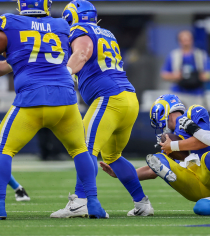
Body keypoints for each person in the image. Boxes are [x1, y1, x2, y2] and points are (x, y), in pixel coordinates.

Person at [0, 0, 107, 219]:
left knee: (3, 150)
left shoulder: (10, 22)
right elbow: (31, 58)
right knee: (80, 150)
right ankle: (93, 203)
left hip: (32, 100)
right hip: (65, 100)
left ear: (21, 5)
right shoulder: (60, 25)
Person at [50, 0, 152, 218]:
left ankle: (80, 201)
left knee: (83, 149)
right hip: (128, 99)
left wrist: (64, 74)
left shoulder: (81, 30)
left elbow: (82, 54)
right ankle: (142, 204)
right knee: (113, 155)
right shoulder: (107, 33)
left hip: (109, 98)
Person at [102, 94, 210, 214]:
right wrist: (122, 175)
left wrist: (175, 145)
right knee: (157, 159)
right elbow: (151, 171)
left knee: (208, 156)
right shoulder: (169, 138)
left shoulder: (194, 113)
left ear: (161, 111)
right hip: (192, 180)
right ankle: (170, 173)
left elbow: (207, 142)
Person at [161, 30, 210, 107]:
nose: (186, 42)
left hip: (197, 94)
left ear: (192, 40)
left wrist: (202, 76)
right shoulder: (173, 55)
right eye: (183, 40)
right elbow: (163, 75)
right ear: (179, 41)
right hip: (178, 93)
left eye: (188, 39)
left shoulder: (201, 55)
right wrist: (175, 76)